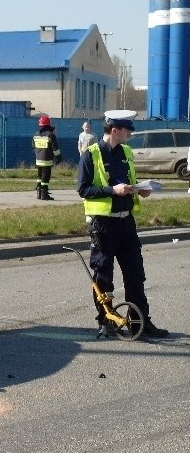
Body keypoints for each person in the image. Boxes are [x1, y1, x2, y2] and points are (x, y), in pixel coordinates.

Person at [76, 110, 169, 339]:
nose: (130, 134)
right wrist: (112, 191)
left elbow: (130, 182)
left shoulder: (126, 152)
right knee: (104, 276)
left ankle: (139, 323)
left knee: (135, 275)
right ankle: (106, 321)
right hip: (103, 226)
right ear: (115, 130)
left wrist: (140, 189)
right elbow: (83, 189)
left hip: (126, 223)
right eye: (128, 130)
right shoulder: (91, 154)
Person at [32, 115, 61, 200]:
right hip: (47, 160)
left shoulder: (36, 134)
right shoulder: (50, 135)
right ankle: (44, 195)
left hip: (38, 160)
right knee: (45, 177)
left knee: (39, 176)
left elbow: (33, 145)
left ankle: (38, 193)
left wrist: (38, 152)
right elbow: (55, 148)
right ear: (48, 124)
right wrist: (59, 157)